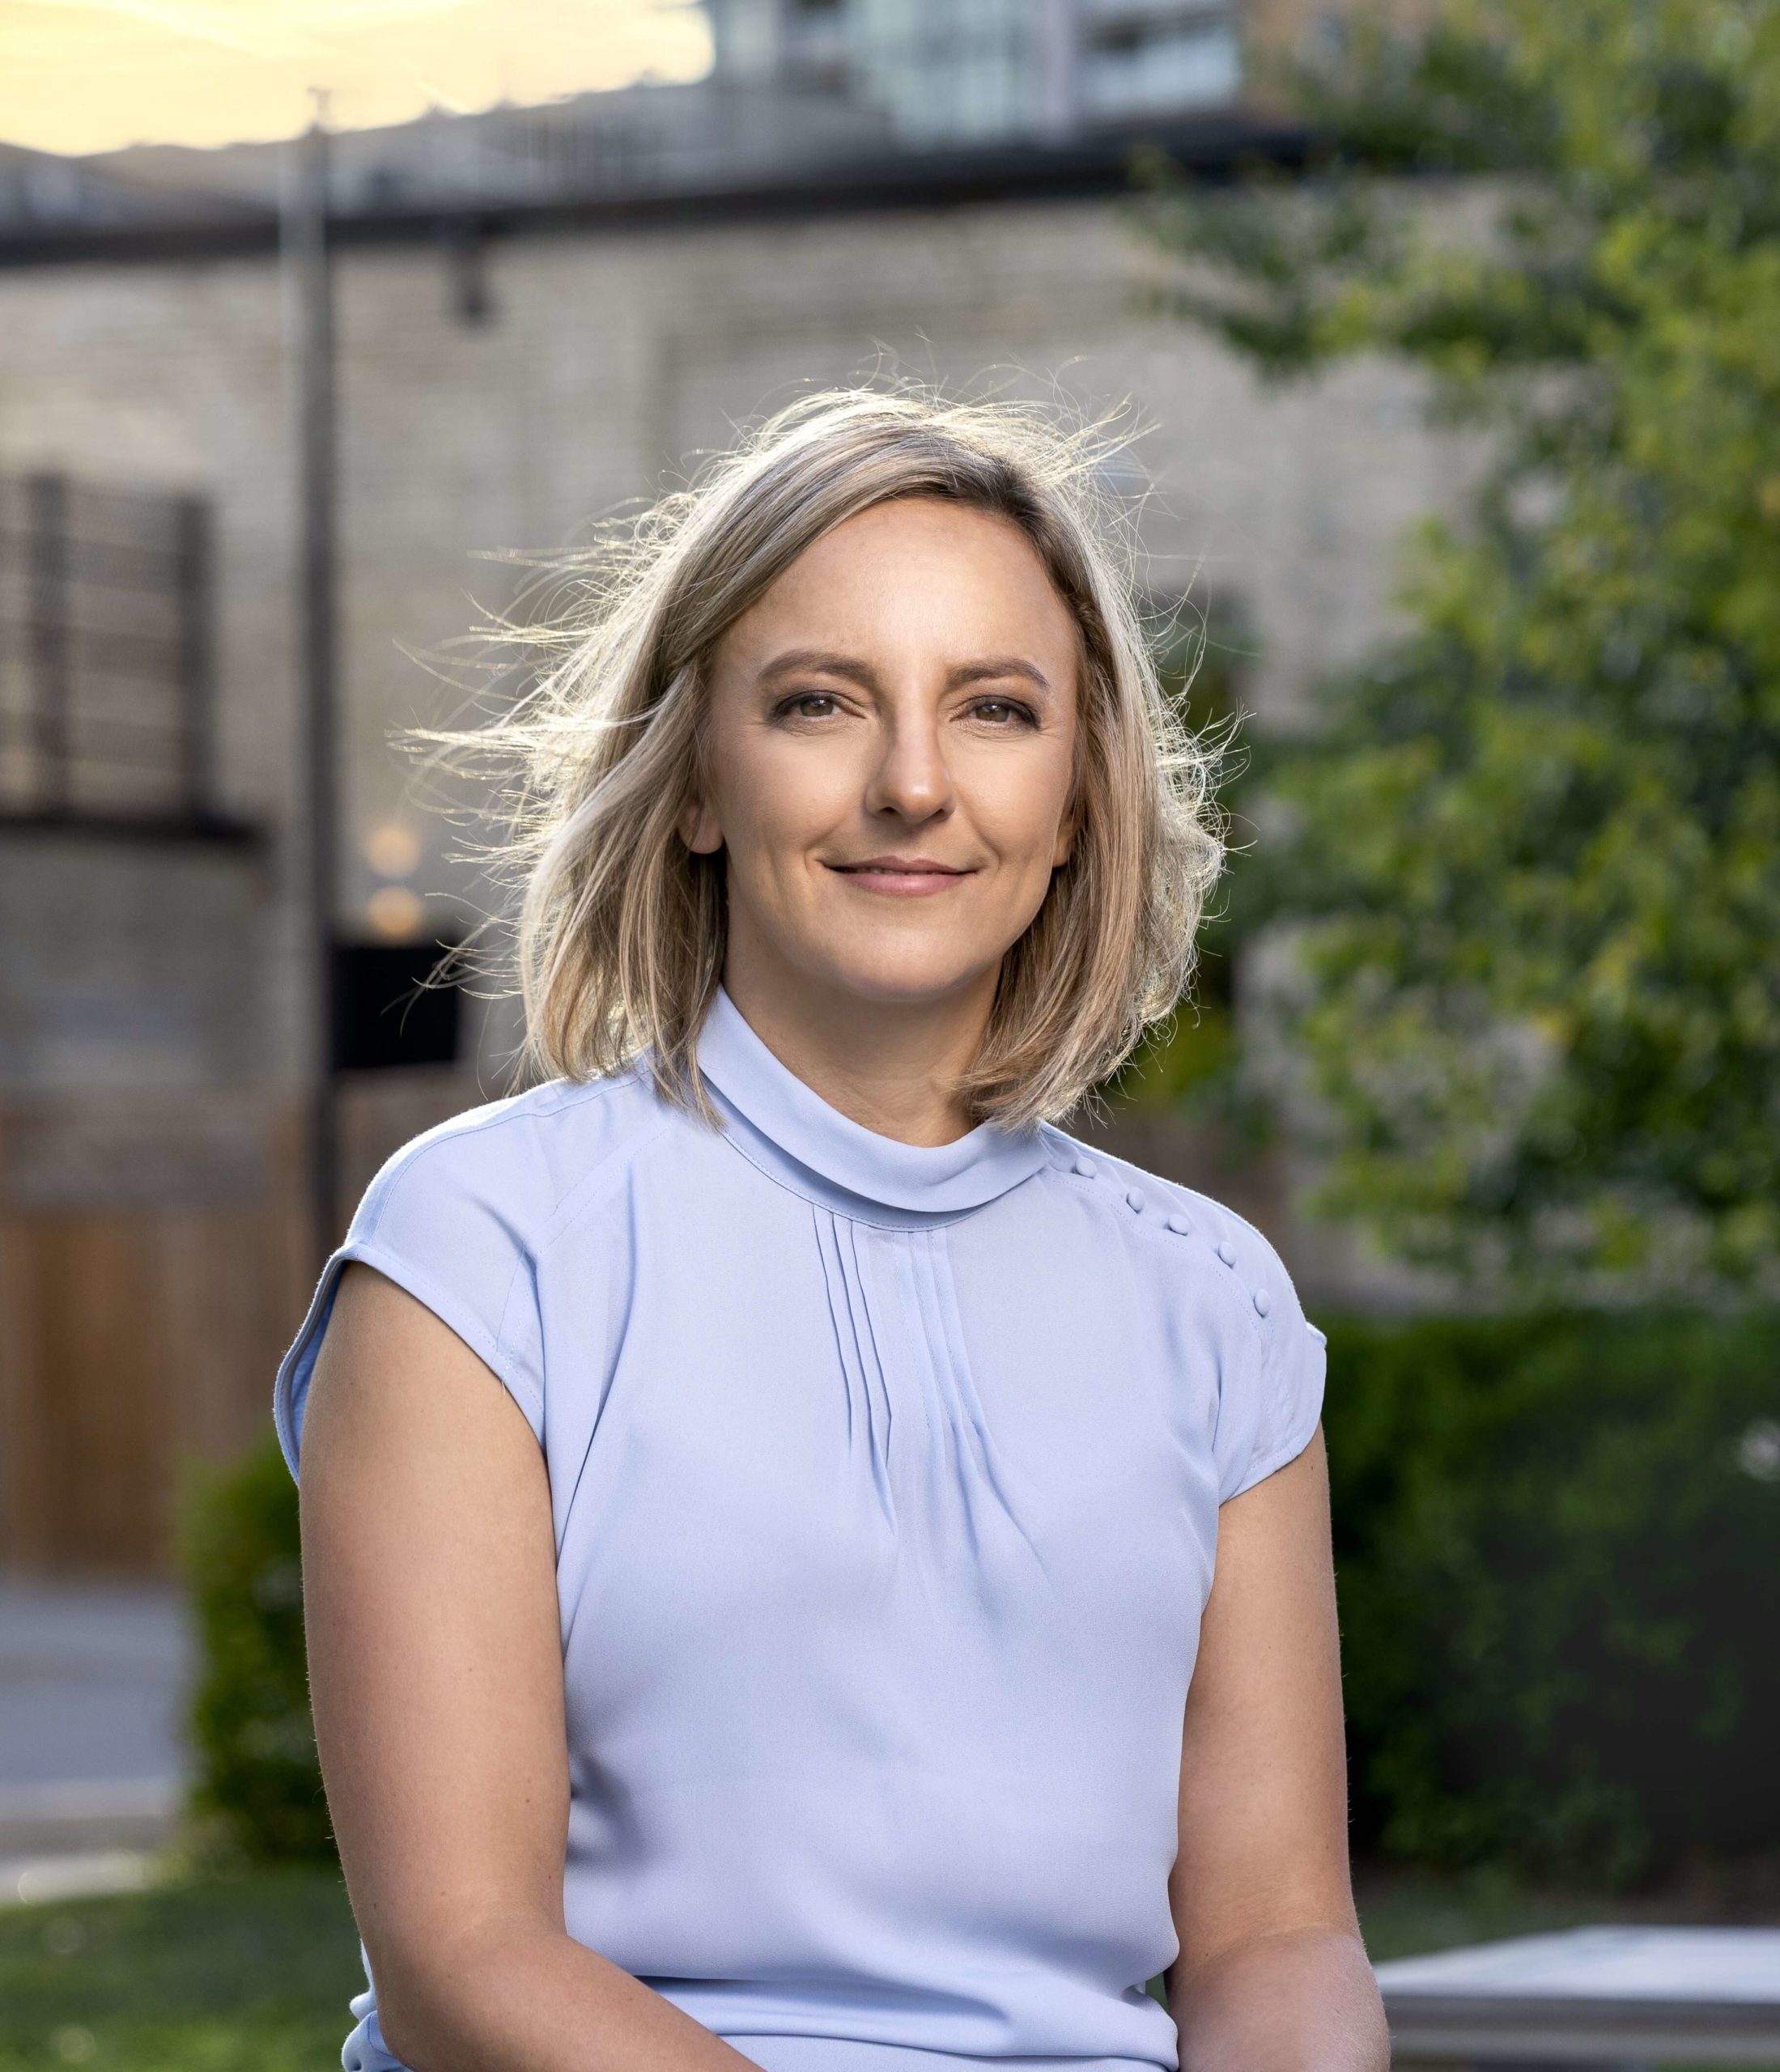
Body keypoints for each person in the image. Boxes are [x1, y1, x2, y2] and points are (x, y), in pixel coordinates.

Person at [274, 388, 1391, 2072]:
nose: (913, 784)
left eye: (995, 709)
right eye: (819, 703)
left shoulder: (1212, 1300)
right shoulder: (484, 1247)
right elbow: (460, 1955)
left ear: (1078, 793)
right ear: (699, 777)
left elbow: (1276, 1934)